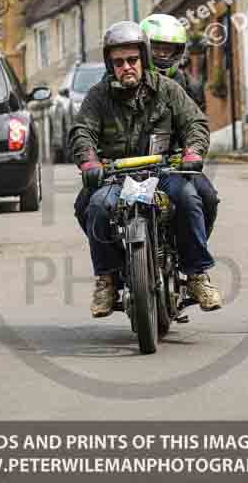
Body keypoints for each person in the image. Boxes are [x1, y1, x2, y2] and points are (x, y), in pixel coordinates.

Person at [69, 20, 222, 318]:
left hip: (163, 171)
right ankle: (107, 280)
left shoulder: (168, 89)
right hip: (116, 176)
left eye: (132, 60)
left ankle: (195, 275)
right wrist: (89, 161)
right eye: (119, 62)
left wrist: (192, 151)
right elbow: (81, 132)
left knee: (191, 198)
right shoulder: (98, 96)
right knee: (95, 207)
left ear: (143, 59)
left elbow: (195, 123)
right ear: (110, 65)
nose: (126, 67)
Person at [140, 14, 219, 238]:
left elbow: (196, 125)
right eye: (156, 48)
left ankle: (194, 248)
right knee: (90, 205)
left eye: (168, 49)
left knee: (208, 198)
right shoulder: (129, 81)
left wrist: (191, 152)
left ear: (178, 51)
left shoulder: (190, 86)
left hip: (175, 165)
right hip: (131, 164)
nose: (162, 54)